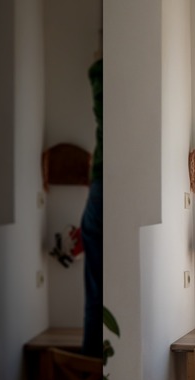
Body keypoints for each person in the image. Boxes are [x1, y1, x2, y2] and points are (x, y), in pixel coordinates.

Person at [80, 32, 103, 359]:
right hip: (109, 186)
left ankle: (92, 370)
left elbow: (97, 62)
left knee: (95, 288)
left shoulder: (99, 77)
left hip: (99, 187)